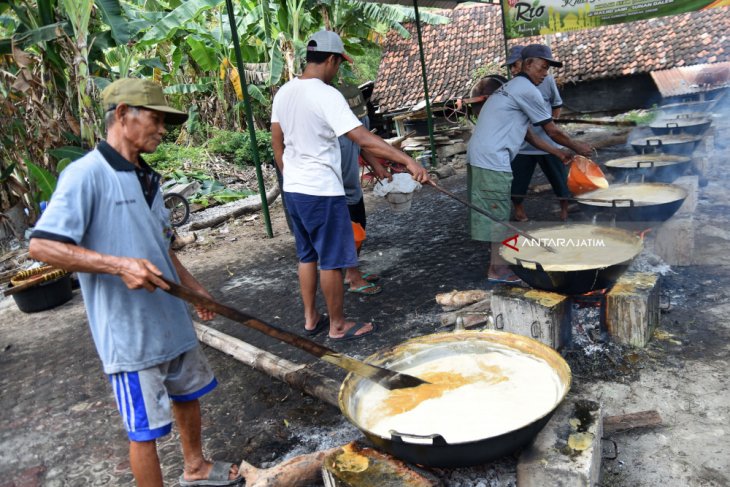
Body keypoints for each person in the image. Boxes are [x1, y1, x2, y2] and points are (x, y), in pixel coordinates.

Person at [28, 78, 242, 487]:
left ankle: (195, 467)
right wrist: (118, 265)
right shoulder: (85, 174)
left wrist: (193, 286)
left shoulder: (149, 179)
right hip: (129, 336)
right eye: (156, 119)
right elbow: (42, 246)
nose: (162, 129)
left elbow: (161, 245)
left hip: (171, 319)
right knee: (144, 431)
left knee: (187, 395)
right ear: (124, 114)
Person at [271, 30, 429, 340]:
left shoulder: (284, 92)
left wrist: (290, 173)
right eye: (339, 64)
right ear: (330, 60)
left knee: (307, 256)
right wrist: (408, 161)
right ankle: (338, 325)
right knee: (331, 259)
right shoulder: (326, 94)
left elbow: (276, 140)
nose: (338, 70)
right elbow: (362, 137)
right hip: (321, 192)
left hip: (295, 190)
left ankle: (311, 318)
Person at [466, 44, 592, 284]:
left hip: (482, 154)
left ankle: (498, 264)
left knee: (497, 211)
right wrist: (578, 147)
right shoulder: (526, 89)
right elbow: (552, 130)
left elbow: (529, 135)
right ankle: (498, 270)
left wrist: (557, 153)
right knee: (498, 214)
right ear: (527, 64)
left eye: (547, 68)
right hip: (491, 158)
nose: (545, 73)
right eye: (542, 67)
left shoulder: (511, 88)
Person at [505, 45, 571, 222]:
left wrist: (551, 123)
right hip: (523, 145)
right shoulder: (511, 86)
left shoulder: (546, 81)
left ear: (526, 64)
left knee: (560, 180)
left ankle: (564, 209)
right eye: (510, 67)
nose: (512, 70)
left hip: (548, 142)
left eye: (515, 65)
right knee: (518, 182)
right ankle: (519, 210)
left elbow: (556, 105)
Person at [337, 83, 392, 295]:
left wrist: (378, 167)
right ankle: (352, 276)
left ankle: (352, 270)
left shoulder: (362, 119)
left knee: (360, 229)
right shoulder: (330, 128)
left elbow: (364, 144)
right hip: (336, 191)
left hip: (353, 188)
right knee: (350, 233)